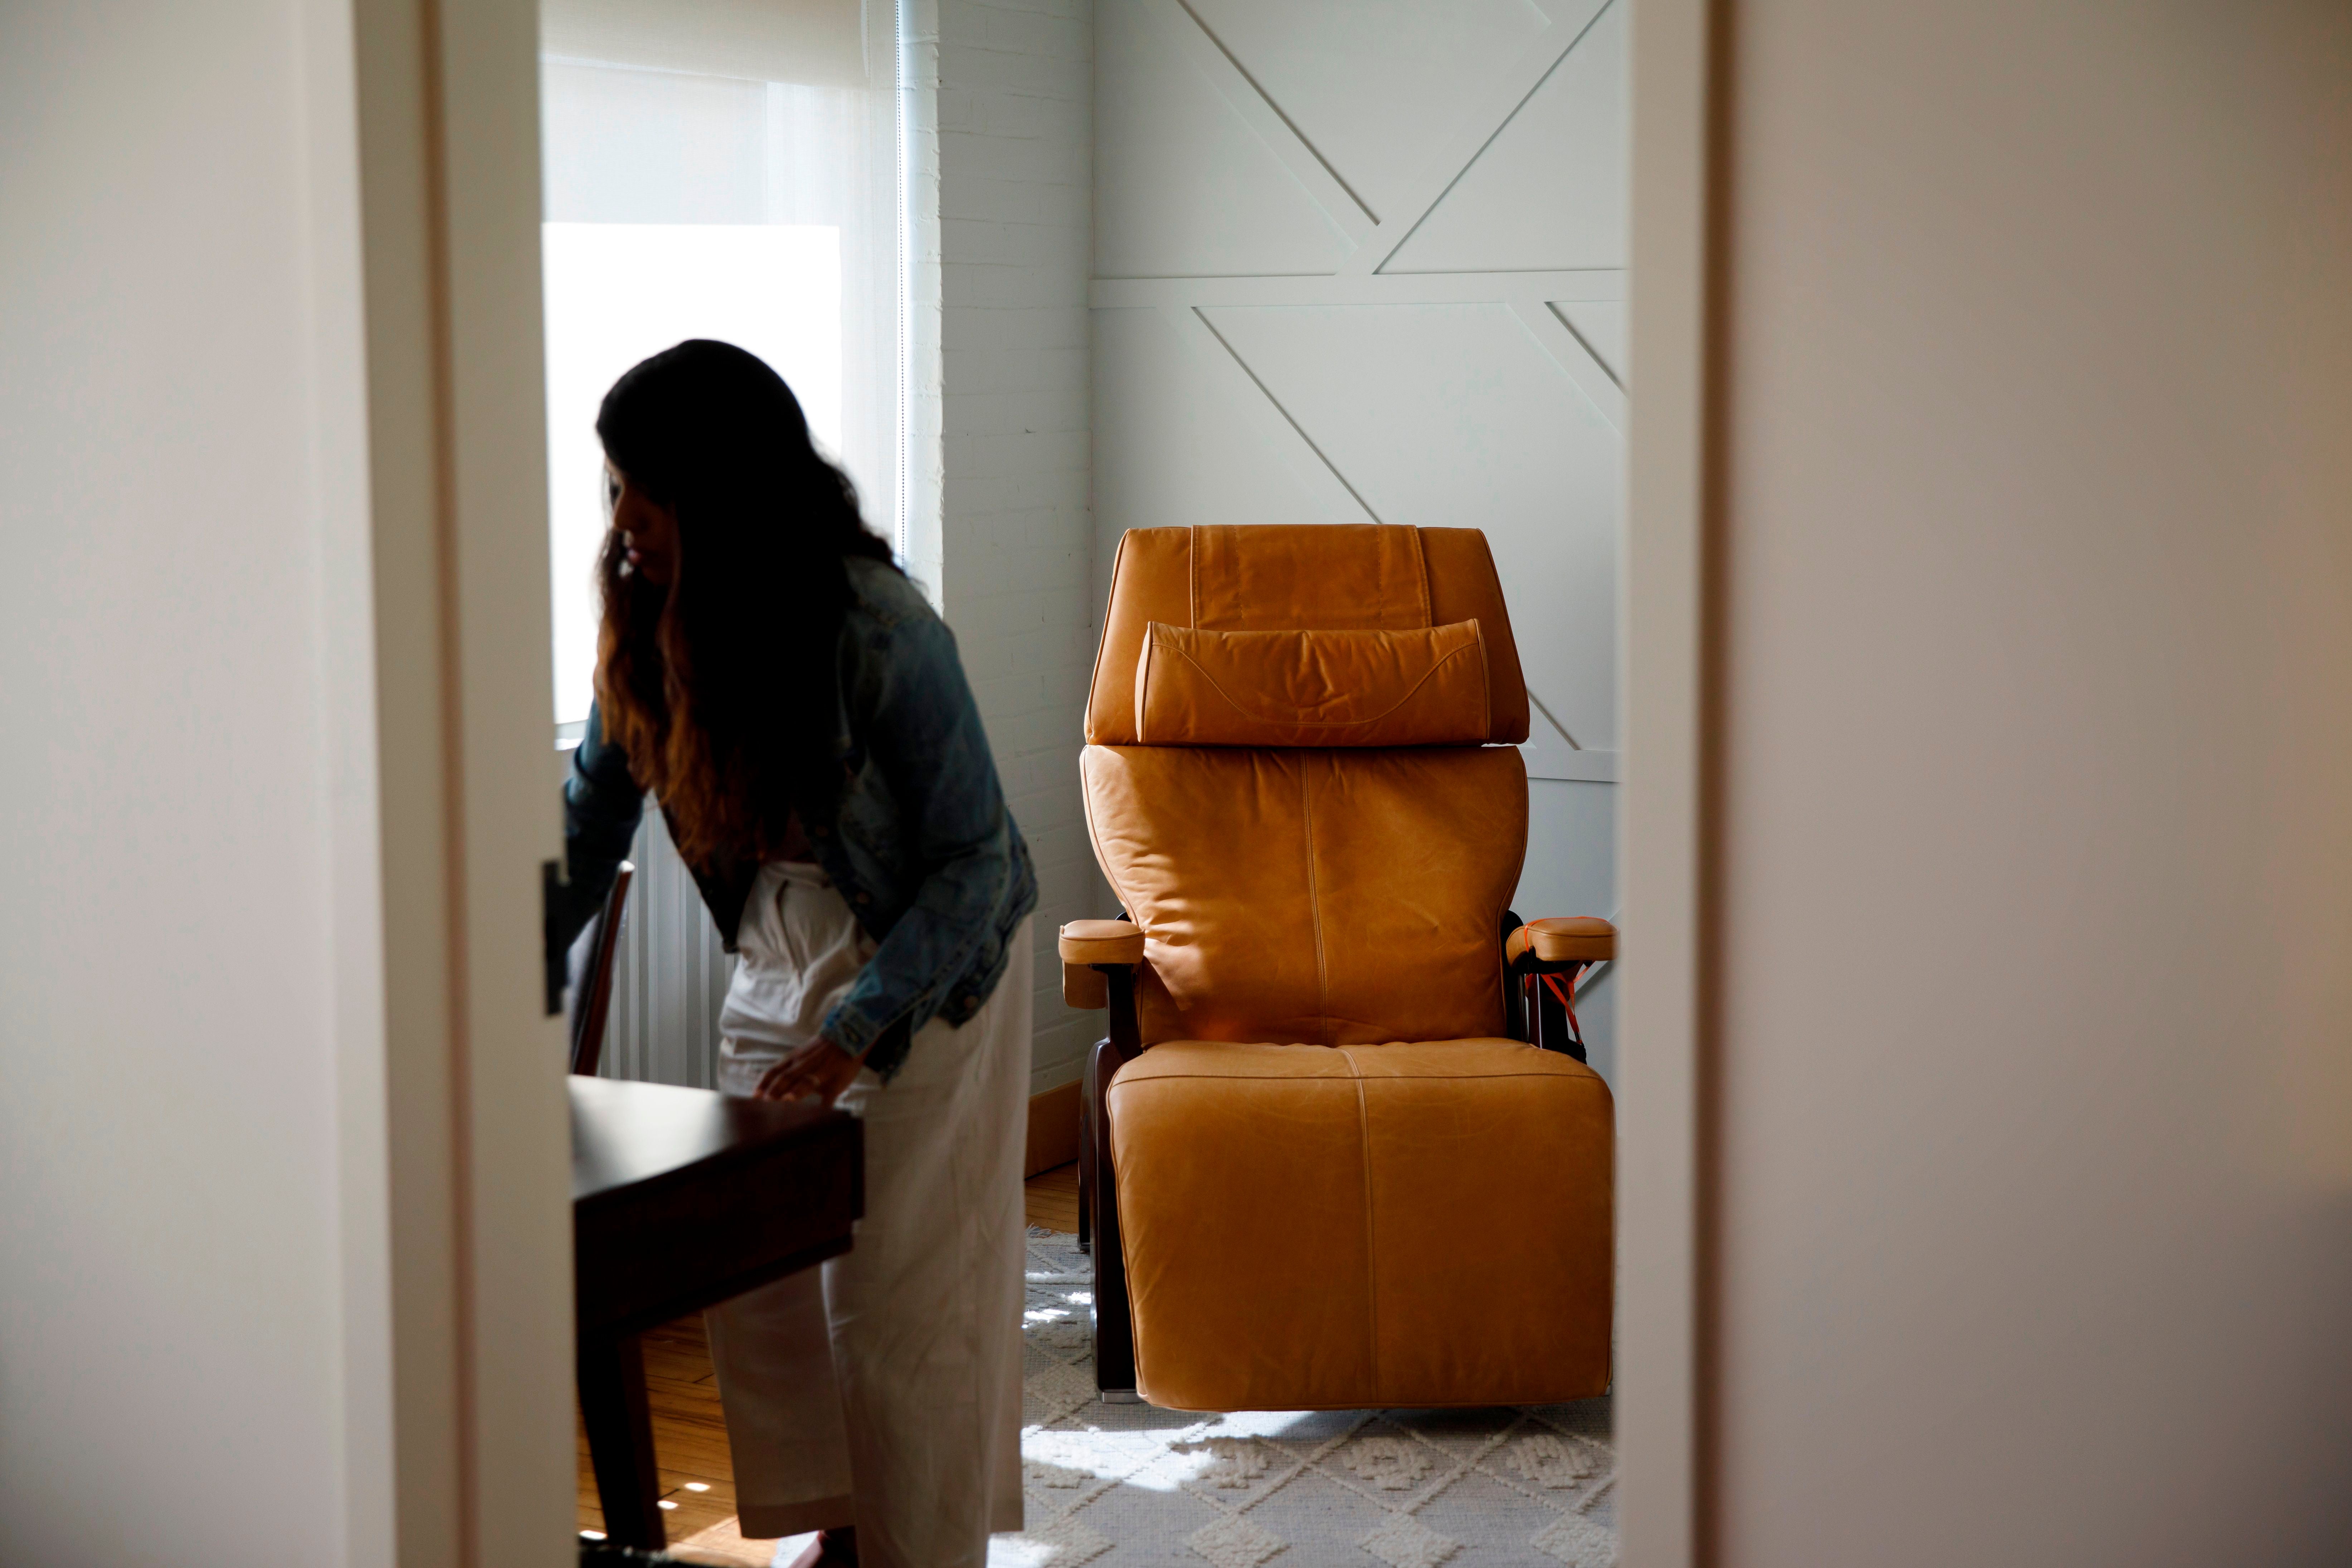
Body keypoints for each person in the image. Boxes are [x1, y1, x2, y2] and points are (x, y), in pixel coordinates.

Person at [548, 340, 1037, 1568]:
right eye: (615, 487)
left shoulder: (880, 629)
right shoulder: (650, 622)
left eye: (647, 492)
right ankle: (838, 1529)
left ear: (723, 495)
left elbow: (975, 863)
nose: (624, 521)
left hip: (928, 963)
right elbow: (590, 821)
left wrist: (855, 1031)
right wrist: (502, 983)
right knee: (765, 1289)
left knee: (896, 1309)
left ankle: (915, 1551)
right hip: (777, 944)